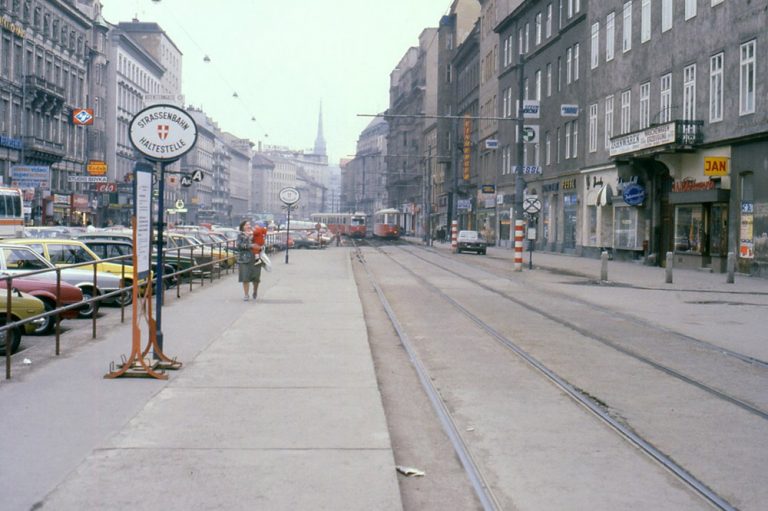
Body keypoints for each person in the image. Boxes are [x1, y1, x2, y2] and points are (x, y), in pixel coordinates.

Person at [236, 220, 261, 301]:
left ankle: (255, 291)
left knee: (256, 277)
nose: (248, 226)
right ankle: (246, 294)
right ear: (243, 226)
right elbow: (239, 245)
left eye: (249, 224)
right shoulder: (240, 235)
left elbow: (261, 243)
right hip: (245, 258)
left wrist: (260, 247)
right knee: (245, 277)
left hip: (256, 258)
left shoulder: (255, 234)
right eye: (246, 224)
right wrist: (251, 245)